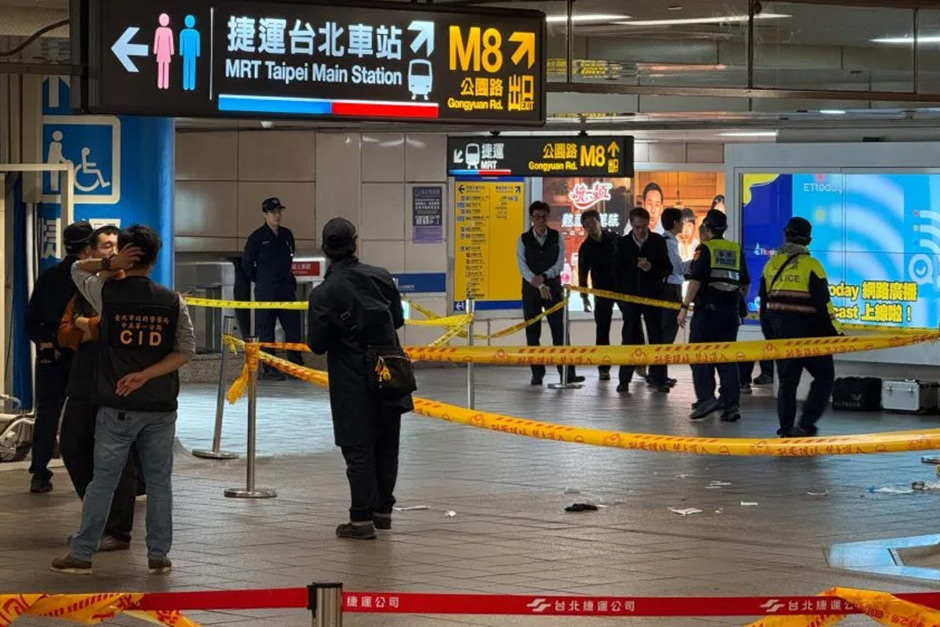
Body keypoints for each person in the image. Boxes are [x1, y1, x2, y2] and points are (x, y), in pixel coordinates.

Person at [52, 225, 196, 575]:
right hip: (161, 406)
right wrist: (147, 375)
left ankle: (83, 553)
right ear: (155, 258)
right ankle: (158, 554)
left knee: (103, 479)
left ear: (127, 255)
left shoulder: (107, 293)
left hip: (117, 404)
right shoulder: (172, 300)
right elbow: (185, 352)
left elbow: (74, 268)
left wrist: (107, 262)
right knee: (160, 481)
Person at [307, 218, 413, 540]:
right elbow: (397, 319)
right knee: (387, 444)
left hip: (352, 380)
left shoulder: (324, 293)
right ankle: (384, 512)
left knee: (359, 448)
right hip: (388, 372)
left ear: (326, 250)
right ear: (356, 243)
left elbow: (317, 344)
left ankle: (360, 520)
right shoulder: (380, 276)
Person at [57, 225, 139, 553]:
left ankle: (118, 530)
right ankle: (97, 516)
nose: (111, 252)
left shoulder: (132, 289)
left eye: (117, 246)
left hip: (117, 382)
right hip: (82, 381)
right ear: (93, 251)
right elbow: (64, 333)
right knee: (73, 446)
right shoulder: (84, 289)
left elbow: (113, 329)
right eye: (105, 246)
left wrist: (88, 325)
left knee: (117, 455)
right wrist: (86, 328)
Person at [25, 221, 94, 494]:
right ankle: (89, 473)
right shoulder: (89, 279)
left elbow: (31, 320)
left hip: (50, 356)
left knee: (47, 412)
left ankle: (39, 473)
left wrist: (46, 341)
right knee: (88, 413)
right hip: (83, 355)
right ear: (89, 247)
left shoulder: (48, 277)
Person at [760, 217, 841, 437]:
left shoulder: (771, 265)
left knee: (787, 382)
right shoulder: (811, 265)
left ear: (785, 235)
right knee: (824, 377)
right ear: (809, 240)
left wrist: (770, 337)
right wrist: (836, 333)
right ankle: (806, 424)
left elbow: (764, 305)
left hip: (782, 337)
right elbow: (823, 304)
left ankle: (786, 430)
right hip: (811, 337)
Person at [677, 210, 749, 422]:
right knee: (726, 359)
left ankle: (706, 398)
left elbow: (696, 281)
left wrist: (683, 307)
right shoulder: (735, 249)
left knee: (698, 354)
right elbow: (745, 282)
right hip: (730, 314)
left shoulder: (705, 248)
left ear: (707, 227)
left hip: (707, 313)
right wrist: (735, 301)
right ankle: (731, 405)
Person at [517, 201, 583, 386]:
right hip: (531, 291)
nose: (540, 220)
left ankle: (567, 373)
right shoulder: (523, 239)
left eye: (544, 217)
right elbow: (522, 267)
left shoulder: (556, 237)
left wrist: (544, 277)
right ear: (531, 218)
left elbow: (560, 264)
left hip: (553, 288)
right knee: (533, 333)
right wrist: (538, 284)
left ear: (548, 217)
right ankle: (537, 373)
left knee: (560, 331)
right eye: (536, 217)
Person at [242, 197, 304, 380]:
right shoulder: (257, 238)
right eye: (273, 212)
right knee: (266, 329)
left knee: (293, 327)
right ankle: (270, 368)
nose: (277, 216)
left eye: (279, 212)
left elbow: (290, 258)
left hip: (285, 288)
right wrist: (261, 280)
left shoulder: (286, 235)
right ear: (265, 215)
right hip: (266, 290)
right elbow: (247, 264)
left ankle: (295, 365)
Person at [615, 207, 672, 394]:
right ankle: (624, 379)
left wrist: (651, 268)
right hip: (630, 298)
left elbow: (667, 268)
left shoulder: (657, 241)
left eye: (644, 227)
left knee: (656, 336)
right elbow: (616, 272)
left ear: (649, 224)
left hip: (653, 296)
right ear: (631, 225)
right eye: (637, 227)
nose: (641, 231)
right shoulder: (622, 244)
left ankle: (659, 378)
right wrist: (622, 298)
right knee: (629, 336)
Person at [577, 210, 621, 381]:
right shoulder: (586, 248)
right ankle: (604, 368)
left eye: (593, 222)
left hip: (622, 288)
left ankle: (637, 363)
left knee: (633, 325)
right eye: (587, 224)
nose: (591, 226)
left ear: (599, 221)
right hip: (601, 290)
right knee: (602, 329)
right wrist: (584, 296)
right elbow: (582, 272)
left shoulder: (615, 238)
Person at [660, 208, 690, 386]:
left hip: (672, 287)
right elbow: (678, 268)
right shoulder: (669, 242)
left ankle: (661, 373)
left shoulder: (670, 241)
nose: (683, 224)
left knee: (667, 332)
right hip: (671, 289)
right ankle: (659, 374)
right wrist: (697, 261)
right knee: (668, 332)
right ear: (674, 223)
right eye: (681, 221)